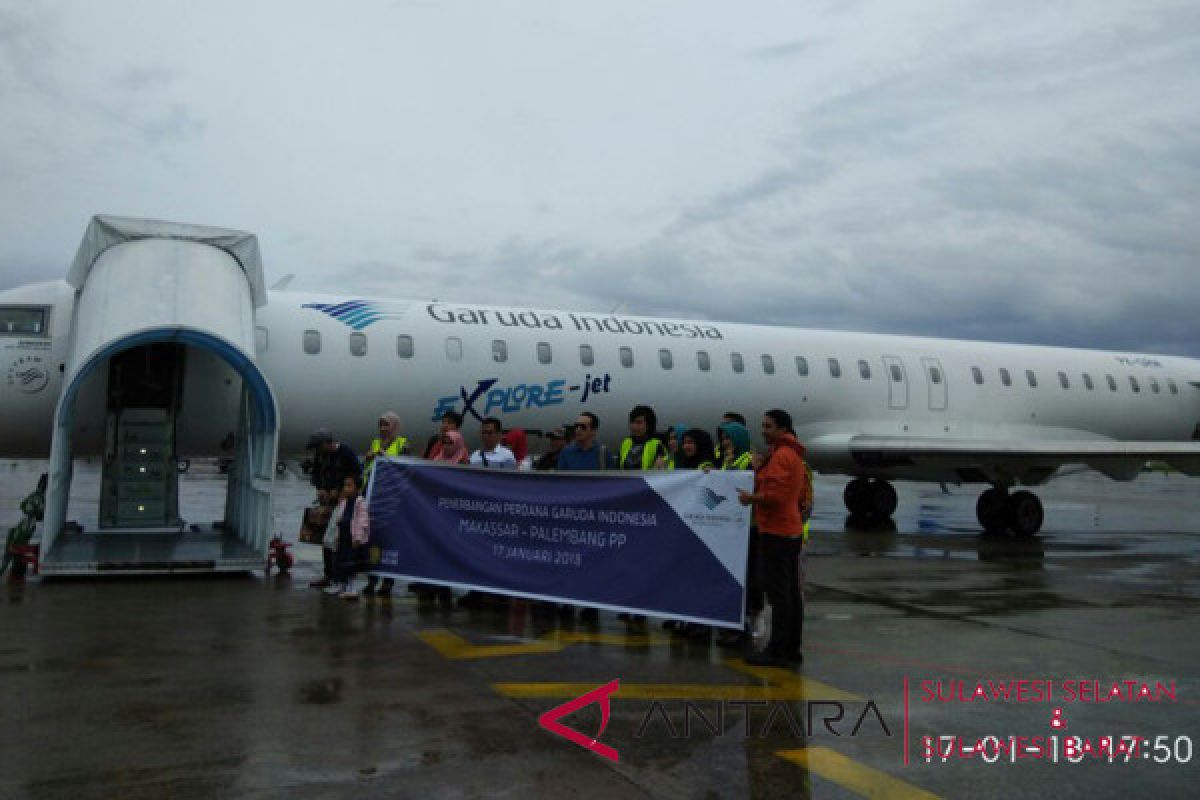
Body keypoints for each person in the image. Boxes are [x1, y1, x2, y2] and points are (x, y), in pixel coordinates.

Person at [737, 409, 810, 667]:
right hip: (788, 530)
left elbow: (775, 496)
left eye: (768, 426)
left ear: (782, 429)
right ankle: (790, 649)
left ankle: (779, 650)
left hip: (777, 532)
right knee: (789, 593)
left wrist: (751, 498)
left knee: (780, 596)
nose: (763, 430)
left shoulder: (781, 457)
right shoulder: (789, 454)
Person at [554, 412, 612, 622]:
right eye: (576, 426)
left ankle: (591, 604)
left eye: (583, 427)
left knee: (593, 563)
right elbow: (560, 484)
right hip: (572, 516)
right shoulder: (567, 454)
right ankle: (568, 600)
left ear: (593, 431)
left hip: (594, 517)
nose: (578, 430)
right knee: (569, 560)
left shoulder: (604, 454)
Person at [715, 421, 760, 649]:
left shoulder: (749, 461)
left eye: (729, 439)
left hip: (747, 530)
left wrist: (731, 467)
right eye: (723, 439)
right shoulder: (728, 462)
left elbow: (745, 486)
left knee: (745, 580)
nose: (725, 443)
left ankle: (743, 628)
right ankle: (731, 626)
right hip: (730, 529)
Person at [306, 428, 361, 589]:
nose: (317, 451)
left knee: (340, 540)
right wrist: (320, 488)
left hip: (343, 503)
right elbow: (315, 474)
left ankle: (342, 576)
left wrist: (342, 490)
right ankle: (328, 574)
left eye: (318, 447)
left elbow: (357, 474)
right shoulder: (321, 455)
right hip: (327, 502)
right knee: (325, 540)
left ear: (326, 443)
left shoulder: (346, 453)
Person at [361, 412, 408, 599]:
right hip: (372, 496)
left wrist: (386, 457)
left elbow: (404, 467)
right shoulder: (374, 443)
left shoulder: (403, 443)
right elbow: (366, 468)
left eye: (386, 425)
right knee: (373, 540)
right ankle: (372, 578)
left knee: (388, 541)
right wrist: (370, 458)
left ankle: (388, 580)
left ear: (394, 427)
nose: (382, 429)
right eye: (380, 425)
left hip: (390, 499)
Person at [326, 473, 370, 601]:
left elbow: (363, 522)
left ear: (357, 488)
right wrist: (337, 535)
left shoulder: (360, 503)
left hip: (353, 538)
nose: (346, 488)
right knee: (340, 561)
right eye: (345, 485)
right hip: (343, 536)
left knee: (351, 564)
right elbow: (340, 518)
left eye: (349, 486)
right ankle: (341, 584)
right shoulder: (344, 501)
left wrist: (358, 538)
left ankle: (352, 588)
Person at [620, 405, 664, 471]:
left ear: (648, 425)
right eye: (632, 422)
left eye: (639, 423)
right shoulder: (626, 442)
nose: (634, 426)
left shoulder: (657, 445)